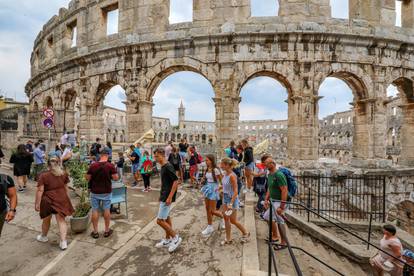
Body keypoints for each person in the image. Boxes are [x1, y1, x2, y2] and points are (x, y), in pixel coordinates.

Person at [35, 157, 74, 250]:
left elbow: (40, 190)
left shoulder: (43, 175)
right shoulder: (63, 174)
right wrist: (67, 199)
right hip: (61, 198)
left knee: (46, 219)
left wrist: (37, 203)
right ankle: (63, 242)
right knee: (61, 220)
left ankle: (43, 236)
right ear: (59, 163)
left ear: (48, 165)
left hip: (48, 199)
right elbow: (66, 188)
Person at [153, 148, 182, 253]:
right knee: (166, 217)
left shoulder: (168, 166)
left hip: (167, 196)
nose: (155, 158)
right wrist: (161, 195)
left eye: (157, 156)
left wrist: (169, 197)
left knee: (159, 220)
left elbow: (175, 181)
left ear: (162, 155)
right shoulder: (163, 166)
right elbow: (165, 182)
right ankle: (168, 239)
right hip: (164, 195)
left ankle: (175, 237)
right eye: (155, 156)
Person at [86, 148, 119, 239]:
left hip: (95, 191)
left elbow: (87, 178)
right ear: (107, 155)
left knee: (95, 210)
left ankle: (95, 232)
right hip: (106, 191)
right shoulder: (110, 166)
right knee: (106, 210)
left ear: (100, 155)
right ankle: (107, 231)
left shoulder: (93, 165)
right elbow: (116, 178)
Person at [220, 158, 249, 245]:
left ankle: (246, 232)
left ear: (227, 165)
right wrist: (220, 188)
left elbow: (236, 190)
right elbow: (226, 186)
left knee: (233, 220)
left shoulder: (232, 176)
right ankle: (228, 238)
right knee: (226, 218)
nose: (220, 165)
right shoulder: (225, 174)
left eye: (222, 164)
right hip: (225, 198)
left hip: (231, 199)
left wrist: (231, 203)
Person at [263, 157, 288, 245]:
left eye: (266, 163)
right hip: (274, 201)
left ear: (272, 164)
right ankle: (277, 237)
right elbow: (270, 188)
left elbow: (284, 190)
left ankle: (282, 242)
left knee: (273, 218)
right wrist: (266, 199)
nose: (265, 165)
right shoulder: (269, 174)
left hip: (280, 201)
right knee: (270, 217)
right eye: (264, 163)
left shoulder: (279, 175)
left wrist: (281, 207)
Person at [200, 154, 223, 236]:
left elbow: (222, 180)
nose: (206, 162)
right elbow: (205, 178)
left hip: (213, 189)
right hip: (207, 188)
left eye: (207, 160)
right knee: (207, 209)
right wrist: (202, 180)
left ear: (211, 160)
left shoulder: (216, 170)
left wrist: (220, 189)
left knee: (212, 210)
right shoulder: (207, 169)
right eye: (205, 160)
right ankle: (210, 226)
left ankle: (223, 217)